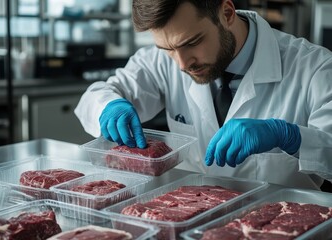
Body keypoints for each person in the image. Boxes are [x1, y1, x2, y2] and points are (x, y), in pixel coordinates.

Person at [75, 0, 332, 190]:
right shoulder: (164, 60)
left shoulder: (315, 67)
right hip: (191, 219)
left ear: (227, 13)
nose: (182, 64)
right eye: (167, 49)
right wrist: (110, 105)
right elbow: (99, 94)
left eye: (192, 42)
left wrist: (291, 137)